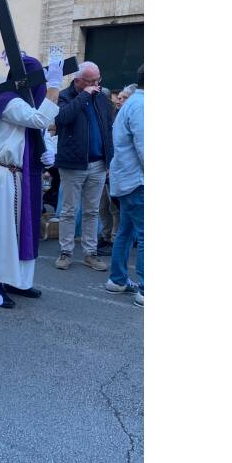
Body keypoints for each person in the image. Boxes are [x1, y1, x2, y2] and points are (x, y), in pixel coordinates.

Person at [0, 54, 66, 308]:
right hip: (5, 174)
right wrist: (54, 87)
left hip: (21, 175)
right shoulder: (8, 101)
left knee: (21, 231)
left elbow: (39, 130)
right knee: (3, 232)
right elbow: (39, 119)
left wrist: (49, 152)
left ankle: (17, 281)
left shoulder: (24, 105)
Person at [53, 62, 114, 272]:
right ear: (78, 80)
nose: (96, 85)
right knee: (69, 211)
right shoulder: (64, 96)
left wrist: (109, 161)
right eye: (91, 81)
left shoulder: (102, 99)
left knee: (92, 211)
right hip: (72, 164)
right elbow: (62, 118)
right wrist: (84, 96)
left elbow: (108, 129)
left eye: (98, 80)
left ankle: (90, 253)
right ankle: (66, 252)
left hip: (98, 164)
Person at [105, 66, 144, 306]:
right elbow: (145, 147)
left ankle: (117, 280)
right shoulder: (142, 106)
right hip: (137, 180)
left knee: (126, 232)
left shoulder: (134, 103)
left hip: (127, 179)